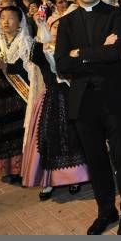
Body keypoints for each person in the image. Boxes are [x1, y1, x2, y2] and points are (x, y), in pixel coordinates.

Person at [55, 0, 121, 235]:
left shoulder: (117, 15)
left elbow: (116, 53)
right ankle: (106, 211)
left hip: (115, 97)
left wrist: (80, 53)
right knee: (96, 160)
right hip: (83, 102)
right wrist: (97, 51)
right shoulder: (66, 23)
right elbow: (62, 64)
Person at [21, 10, 89, 200]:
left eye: (62, 27)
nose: (58, 29)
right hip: (51, 99)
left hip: (73, 97)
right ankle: (49, 181)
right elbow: (34, 55)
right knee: (48, 139)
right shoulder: (42, 49)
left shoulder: (73, 49)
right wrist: (39, 26)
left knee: (75, 137)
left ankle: (75, 178)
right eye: (55, 26)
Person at [0, 6, 36, 184]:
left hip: (18, 93)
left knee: (18, 131)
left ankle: (22, 170)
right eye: (2, 17)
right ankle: (8, 168)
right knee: (2, 130)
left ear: (20, 22)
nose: (5, 21)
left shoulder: (26, 41)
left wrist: (5, 66)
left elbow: (28, 68)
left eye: (10, 18)